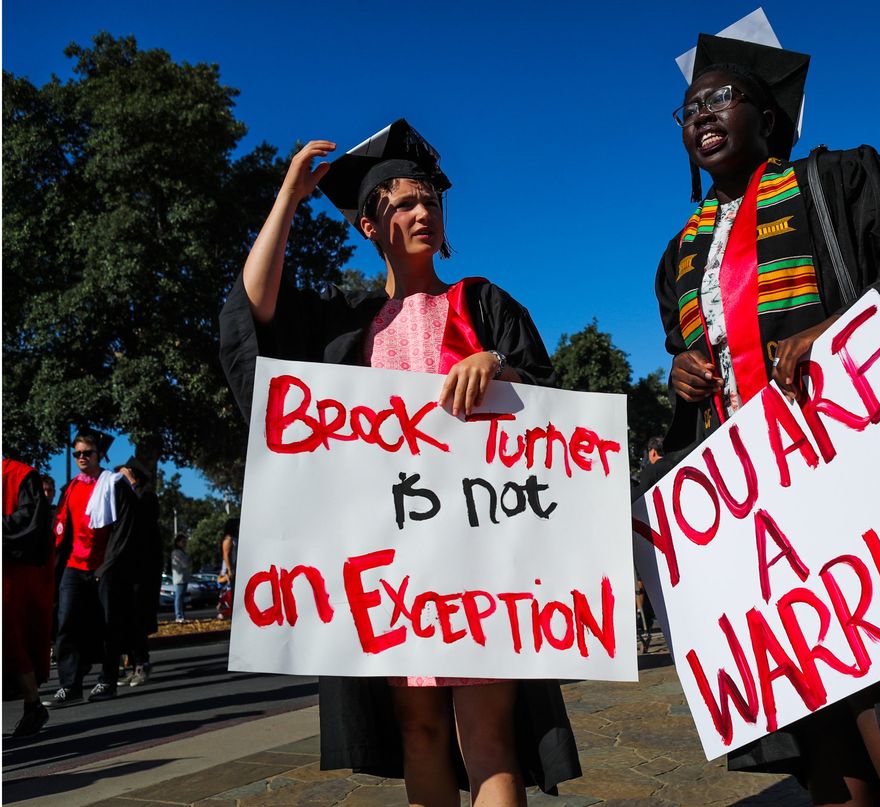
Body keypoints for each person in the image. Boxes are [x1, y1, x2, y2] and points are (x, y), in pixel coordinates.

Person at [654, 32, 880, 807]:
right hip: (760, 515)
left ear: (769, 117)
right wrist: (683, 377)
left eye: (721, 97)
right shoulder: (680, 252)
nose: (702, 112)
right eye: (690, 105)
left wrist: (847, 327)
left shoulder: (840, 181)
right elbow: (695, 367)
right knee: (818, 737)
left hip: (852, 491)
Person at [220, 119, 580, 805]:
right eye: (402, 203)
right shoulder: (347, 331)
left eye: (430, 202)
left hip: (481, 563)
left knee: (489, 738)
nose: (421, 212)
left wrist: (497, 362)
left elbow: (552, 406)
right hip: (392, 574)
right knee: (419, 734)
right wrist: (288, 199)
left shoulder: (481, 302)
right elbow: (255, 312)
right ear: (367, 226)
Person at [47, 429, 137, 705]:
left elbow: (124, 530)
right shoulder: (70, 487)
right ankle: (69, 685)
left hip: (105, 567)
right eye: (77, 454)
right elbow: (63, 530)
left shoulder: (115, 484)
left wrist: (107, 567)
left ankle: (107, 680)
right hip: (75, 566)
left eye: (87, 453)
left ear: (100, 455)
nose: (82, 458)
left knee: (108, 626)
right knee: (67, 624)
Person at [3, 458, 54, 737]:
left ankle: (33, 703)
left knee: (11, 638)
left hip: (14, 571)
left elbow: (30, 522)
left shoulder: (21, 476)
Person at [118, 456, 163, 685]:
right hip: (127, 567)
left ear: (133, 475)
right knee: (127, 618)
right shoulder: (128, 496)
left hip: (142, 568)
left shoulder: (146, 497)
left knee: (137, 618)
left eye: (124, 473)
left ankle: (141, 663)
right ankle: (131, 664)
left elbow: (141, 523)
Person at [171, 533, 192, 624]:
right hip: (179, 578)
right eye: (183, 541)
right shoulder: (176, 553)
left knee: (181, 598)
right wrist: (188, 561)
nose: (184, 543)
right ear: (178, 542)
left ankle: (182, 616)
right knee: (179, 597)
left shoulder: (182, 552)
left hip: (184, 577)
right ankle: (178, 616)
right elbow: (185, 564)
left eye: (185, 542)